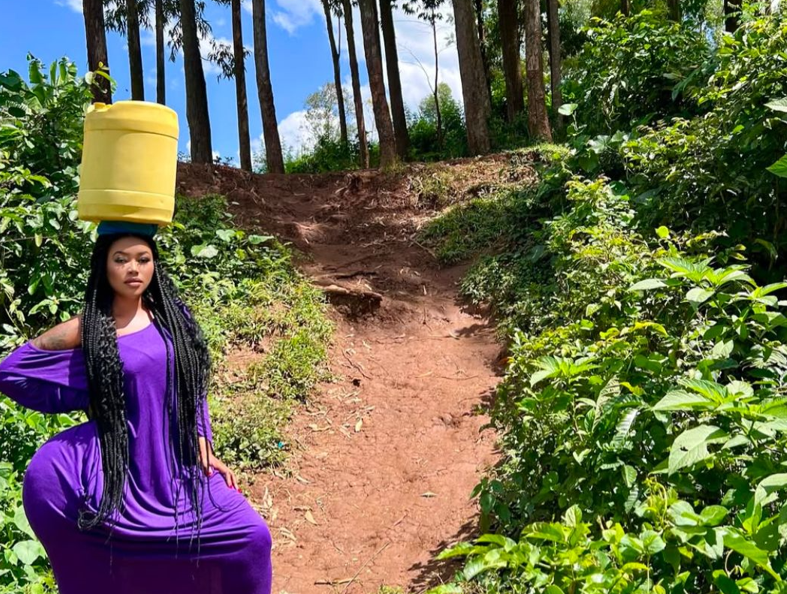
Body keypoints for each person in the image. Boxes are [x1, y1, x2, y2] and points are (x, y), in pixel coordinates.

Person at [0, 221, 273, 594]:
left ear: (154, 265)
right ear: (104, 266)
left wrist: (203, 442)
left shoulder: (173, 317)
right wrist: (82, 328)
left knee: (252, 537)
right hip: (121, 468)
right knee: (118, 559)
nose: (133, 268)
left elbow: (191, 387)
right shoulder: (96, 335)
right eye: (121, 259)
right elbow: (12, 371)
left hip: (175, 465)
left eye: (143, 259)